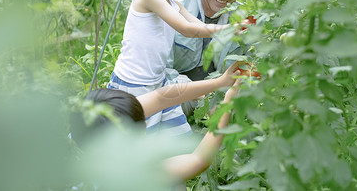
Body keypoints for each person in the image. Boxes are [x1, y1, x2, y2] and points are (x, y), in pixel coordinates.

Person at [108, 0, 231, 136]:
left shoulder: (173, 4)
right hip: (135, 84)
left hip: (159, 81)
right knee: (135, 140)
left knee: (179, 137)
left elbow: (199, 25)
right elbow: (188, 29)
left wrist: (234, 30)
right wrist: (229, 30)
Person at [71, 65, 241, 188]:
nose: (145, 123)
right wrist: (227, 104)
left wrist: (220, 82)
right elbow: (199, 159)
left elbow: (161, 98)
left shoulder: (103, 120)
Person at [166, 0, 256, 114]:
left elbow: (248, 68)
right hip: (178, 95)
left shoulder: (241, 21)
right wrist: (202, 96)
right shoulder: (174, 10)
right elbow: (161, 73)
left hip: (219, 95)